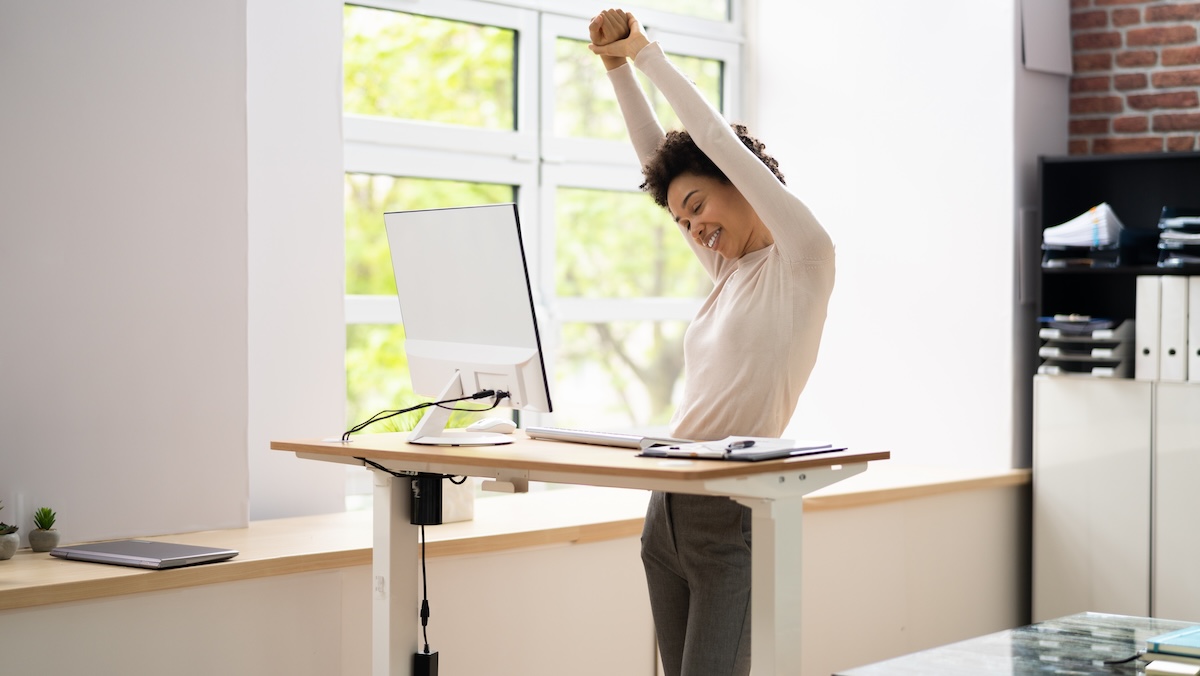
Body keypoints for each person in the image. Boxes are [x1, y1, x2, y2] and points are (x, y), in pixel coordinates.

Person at [587, 9, 835, 676]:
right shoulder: (728, 272)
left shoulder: (804, 259)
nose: (692, 228)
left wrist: (645, 54)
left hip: (729, 517)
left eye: (698, 207)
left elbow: (716, 143)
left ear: (743, 183)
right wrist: (615, 70)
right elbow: (656, 158)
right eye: (680, 219)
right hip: (665, 513)